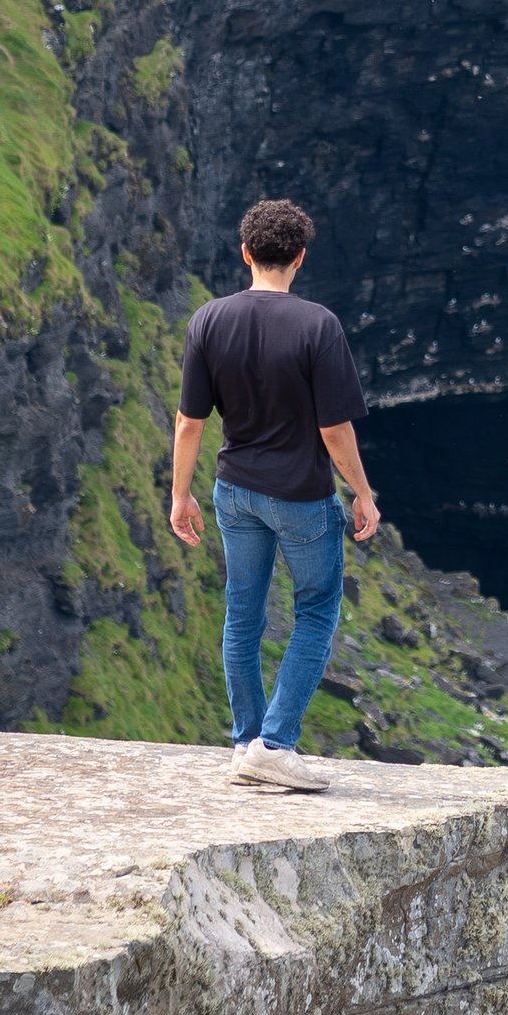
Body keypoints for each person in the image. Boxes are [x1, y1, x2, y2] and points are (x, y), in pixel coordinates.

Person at [171, 196, 381, 788]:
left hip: (233, 490)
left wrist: (179, 496)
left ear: (245, 253)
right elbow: (334, 429)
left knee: (244, 614)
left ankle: (246, 743)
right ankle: (277, 741)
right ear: (300, 258)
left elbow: (190, 421)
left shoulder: (208, 319)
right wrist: (362, 493)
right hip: (302, 497)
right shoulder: (318, 325)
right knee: (315, 610)